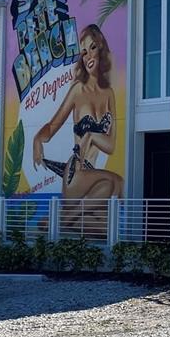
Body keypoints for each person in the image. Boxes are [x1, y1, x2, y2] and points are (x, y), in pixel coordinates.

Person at [33, 24, 123, 213]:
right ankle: (65, 218)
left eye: (92, 48)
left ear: (100, 48)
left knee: (103, 225)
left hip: (93, 176)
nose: (88, 56)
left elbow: (111, 146)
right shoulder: (77, 90)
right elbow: (52, 126)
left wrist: (91, 136)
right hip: (77, 172)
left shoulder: (109, 94)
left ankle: (59, 221)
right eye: (83, 52)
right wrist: (37, 140)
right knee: (117, 182)